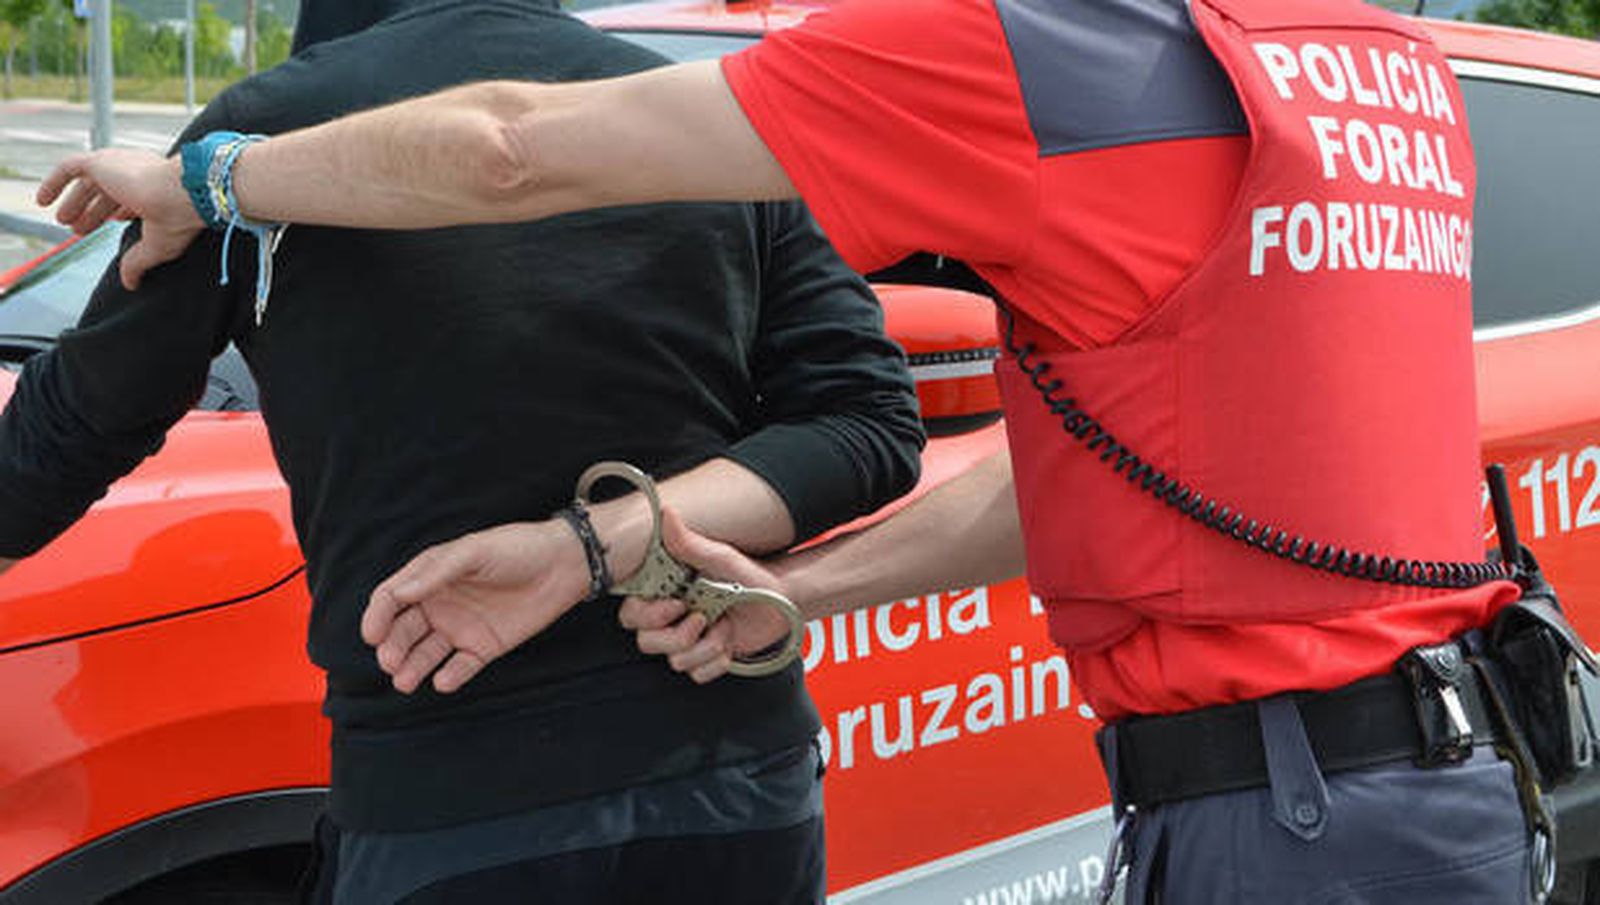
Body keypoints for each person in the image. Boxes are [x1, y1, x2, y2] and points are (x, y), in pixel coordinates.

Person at [39, 0, 1539, 900]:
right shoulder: (1365, 67)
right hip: (1444, 783)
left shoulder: (1043, 61)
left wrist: (217, 174)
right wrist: (764, 589)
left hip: (1284, 821)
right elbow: (1099, 456)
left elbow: (510, 149)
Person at [6, 1, 925, 903]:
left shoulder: (253, 147)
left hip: (453, 808)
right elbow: (865, 425)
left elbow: (60, 441)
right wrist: (614, 540)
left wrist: (584, 548)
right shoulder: (690, 120)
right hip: (735, 789)